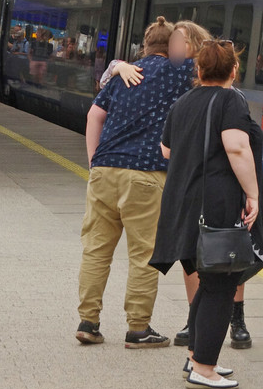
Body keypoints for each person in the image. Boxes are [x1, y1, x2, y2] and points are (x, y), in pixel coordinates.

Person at [151, 40, 263, 389]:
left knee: (209, 280)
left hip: (183, 203)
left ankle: (196, 356)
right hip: (216, 203)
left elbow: (166, 148)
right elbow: (236, 146)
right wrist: (252, 194)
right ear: (233, 70)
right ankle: (204, 367)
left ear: (199, 70)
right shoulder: (230, 99)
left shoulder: (183, 102)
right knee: (222, 283)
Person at [76, 17, 193, 348]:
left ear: (144, 45)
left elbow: (94, 116)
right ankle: (138, 328)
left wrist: (94, 162)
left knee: (96, 250)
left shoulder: (120, 76)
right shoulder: (179, 71)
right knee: (143, 254)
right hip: (146, 174)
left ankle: (88, 322)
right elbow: (217, 59)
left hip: (104, 170)